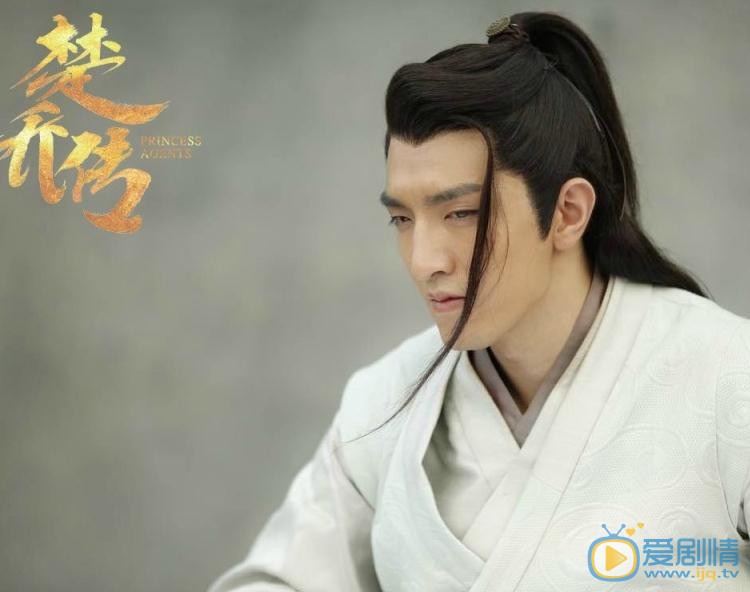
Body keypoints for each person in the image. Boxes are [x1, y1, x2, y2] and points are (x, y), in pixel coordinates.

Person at [208, 11, 750, 591]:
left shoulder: (729, 379)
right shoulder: (383, 403)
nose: (424, 260)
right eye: (402, 219)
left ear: (567, 212)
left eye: (462, 213)